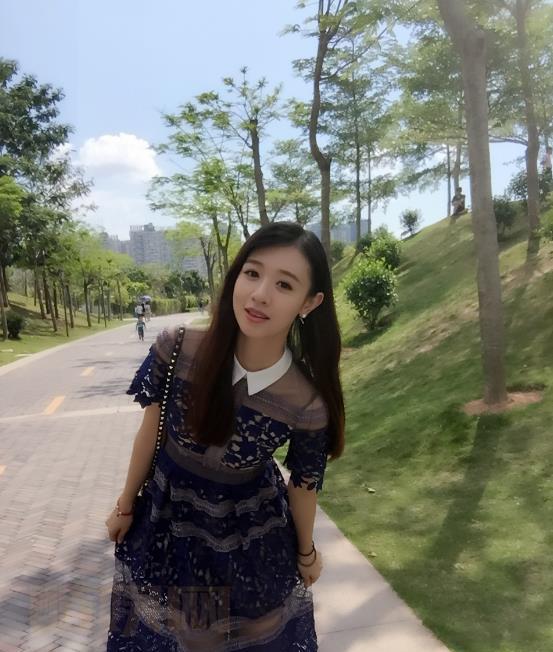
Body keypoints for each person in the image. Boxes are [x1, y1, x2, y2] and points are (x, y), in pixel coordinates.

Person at [105, 222, 345, 651]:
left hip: (247, 541)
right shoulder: (176, 348)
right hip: (168, 524)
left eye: (284, 284)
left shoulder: (307, 402)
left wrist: (306, 553)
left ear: (309, 302)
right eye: (252, 273)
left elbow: (303, 487)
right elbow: (150, 431)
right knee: (172, 637)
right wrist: (125, 505)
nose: (260, 294)